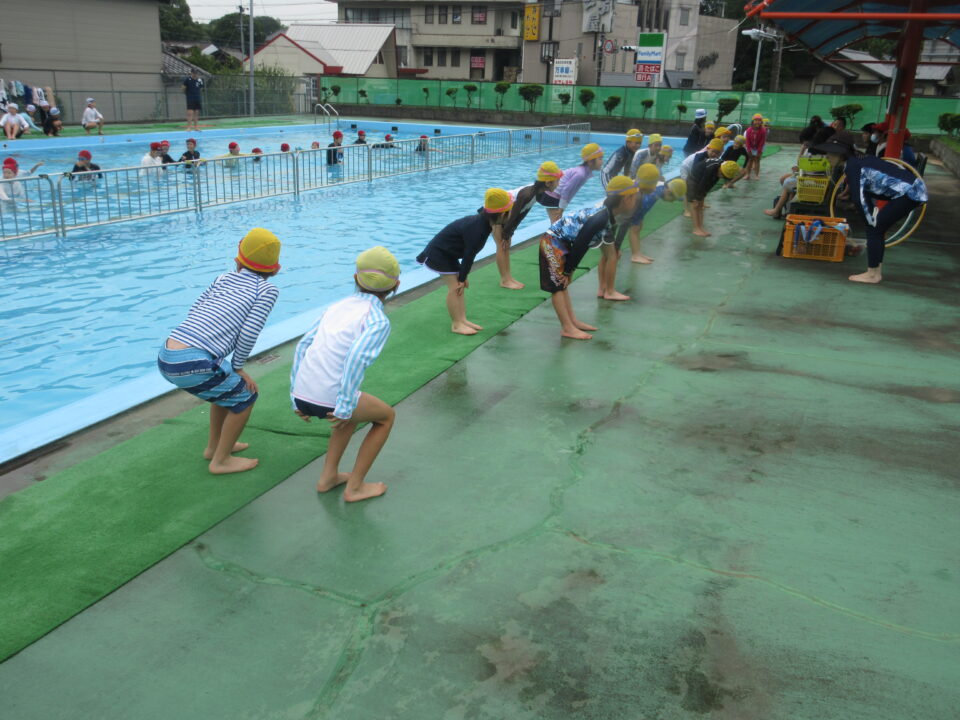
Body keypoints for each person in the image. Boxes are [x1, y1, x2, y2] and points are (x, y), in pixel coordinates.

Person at [157, 228, 281, 474]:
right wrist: (238, 367)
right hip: (193, 361)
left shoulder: (222, 278)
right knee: (245, 397)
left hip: (168, 353)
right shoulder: (266, 291)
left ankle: (214, 448)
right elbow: (249, 332)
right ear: (275, 270)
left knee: (225, 392)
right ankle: (221, 460)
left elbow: (196, 309)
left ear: (237, 261)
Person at [290, 246, 399, 502]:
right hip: (330, 399)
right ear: (395, 286)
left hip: (303, 394)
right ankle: (355, 487)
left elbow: (303, 346)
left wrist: (295, 397)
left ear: (355, 278)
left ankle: (328, 477)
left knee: (351, 414)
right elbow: (355, 359)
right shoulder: (377, 320)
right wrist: (345, 406)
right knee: (385, 417)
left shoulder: (336, 306)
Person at [540, 175, 639, 338]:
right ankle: (567, 328)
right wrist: (568, 270)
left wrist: (570, 269)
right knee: (557, 286)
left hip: (564, 242)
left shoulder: (608, 216)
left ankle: (572, 322)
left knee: (563, 284)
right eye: (635, 197)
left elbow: (586, 243)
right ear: (626, 199)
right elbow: (581, 242)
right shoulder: (601, 217)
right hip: (552, 241)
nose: (636, 201)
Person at [816, 139, 927, 284]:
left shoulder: (853, 166)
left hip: (910, 192)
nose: (826, 157)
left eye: (830, 154)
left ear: (841, 155)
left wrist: (869, 220)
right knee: (876, 229)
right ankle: (875, 272)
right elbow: (864, 193)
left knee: (874, 229)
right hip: (912, 190)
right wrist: (870, 217)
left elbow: (859, 199)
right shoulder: (856, 161)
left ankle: (872, 274)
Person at [416, 188, 512, 335]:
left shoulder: (484, 220)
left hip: (449, 253)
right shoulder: (478, 229)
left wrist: (463, 276)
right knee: (455, 287)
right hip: (439, 254)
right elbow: (469, 255)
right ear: (503, 214)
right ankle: (456, 324)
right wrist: (462, 277)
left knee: (460, 287)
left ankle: (462, 320)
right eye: (510, 212)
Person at [494, 161, 564, 289]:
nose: (558, 184)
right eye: (557, 181)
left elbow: (522, 213)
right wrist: (506, 233)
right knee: (501, 245)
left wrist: (510, 232)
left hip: (505, 216)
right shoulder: (527, 194)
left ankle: (508, 278)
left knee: (506, 245)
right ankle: (504, 280)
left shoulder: (537, 192)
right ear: (548, 183)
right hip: (496, 214)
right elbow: (514, 214)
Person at [614, 170, 686, 267]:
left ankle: (637, 253)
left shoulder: (662, 187)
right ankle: (635, 255)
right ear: (668, 192)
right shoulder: (652, 196)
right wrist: (616, 248)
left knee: (638, 225)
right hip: (625, 201)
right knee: (635, 227)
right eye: (673, 199)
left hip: (630, 196)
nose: (672, 202)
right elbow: (626, 222)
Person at [548, 143, 605, 222]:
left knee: (557, 223)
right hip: (552, 195)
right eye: (600, 159)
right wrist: (561, 208)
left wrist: (562, 207)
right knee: (556, 223)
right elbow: (566, 190)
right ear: (590, 161)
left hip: (553, 193)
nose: (602, 162)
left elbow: (570, 192)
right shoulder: (581, 174)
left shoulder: (584, 172)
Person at [688, 160, 740, 237]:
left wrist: (703, 195)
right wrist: (696, 198)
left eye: (724, 176)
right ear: (721, 169)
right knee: (695, 205)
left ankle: (701, 227)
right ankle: (696, 229)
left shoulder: (721, 168)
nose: (722, 177)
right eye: (722, 175)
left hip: (702, 179)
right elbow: (703, 183)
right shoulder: (711, 169)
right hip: (693, 179)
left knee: (700, 206)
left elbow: (711, 184)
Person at [744, 114, 767, 180]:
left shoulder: (763, 130)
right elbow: (747, 141)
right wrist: (749, 150)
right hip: (750, 146)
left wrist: (759, 151)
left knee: (757, 160)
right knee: (750, 160)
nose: (757, 122)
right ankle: (747, 175)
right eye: (756, 120)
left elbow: (762, 141)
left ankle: (757, 175)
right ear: (753, 121)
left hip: (759, 147)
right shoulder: (749, 130)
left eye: (759, 120)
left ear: (761, 122)